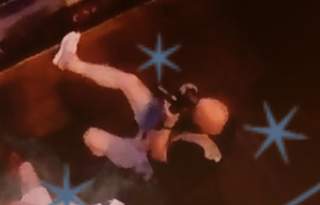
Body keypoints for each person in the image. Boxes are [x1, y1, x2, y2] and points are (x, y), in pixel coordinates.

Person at [53, 32, 229, 179]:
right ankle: (69, 62)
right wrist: (182, 94)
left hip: (149, 162)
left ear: (202, 124)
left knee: (91, 136)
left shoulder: (196, 151)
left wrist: (167, 124)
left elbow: (158, 155)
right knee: (130, 81)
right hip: (158, 130)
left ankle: (106, 159)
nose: (195, 106)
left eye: (196, 110)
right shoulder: (209, 118)